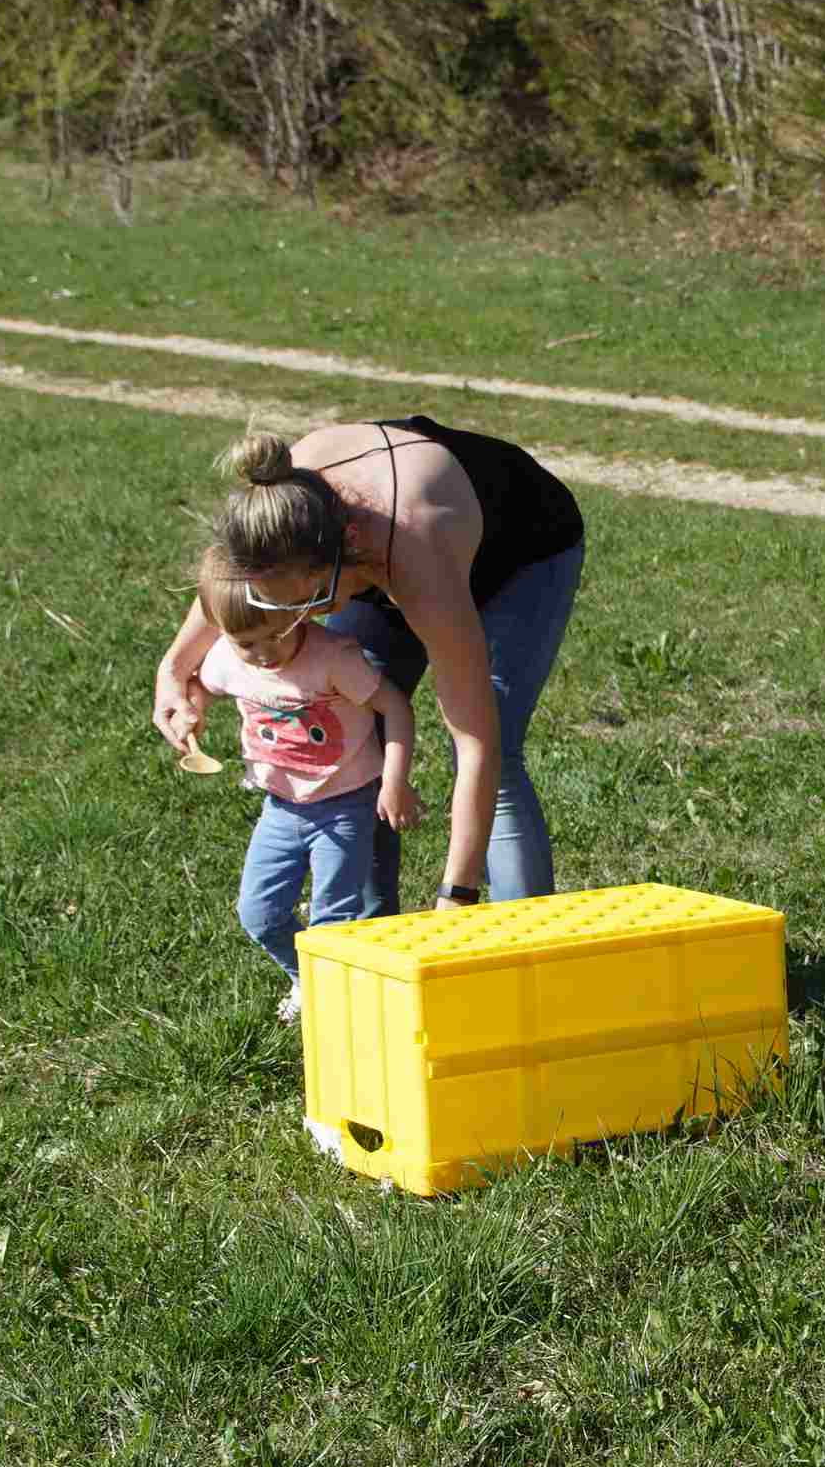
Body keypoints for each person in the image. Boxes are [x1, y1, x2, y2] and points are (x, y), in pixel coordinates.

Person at [155, 420, 584, 913]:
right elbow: (228, 584)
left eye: (311, 601)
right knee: (358, 731)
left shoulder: (418, 555)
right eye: (284, 605)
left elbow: (475, 743)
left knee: (499, 746)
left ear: (348, 543)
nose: (300, 623)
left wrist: (457, 893)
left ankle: (526, 935)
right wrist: (173, 670)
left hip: (523, 553)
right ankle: (371, 932)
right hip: (369, 559)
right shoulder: (277, 509)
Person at [194, 551, 421, 1020]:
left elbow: (395, 707)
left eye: (275, 634)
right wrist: (190, 712)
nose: (264, 653)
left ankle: (336, 1013)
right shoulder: (226, 658)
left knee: (331, 921)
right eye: (246, 643)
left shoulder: (333, 658)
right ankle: (309, 979)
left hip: (345, 808)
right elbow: (202, 686)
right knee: (258, 914)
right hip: (280, 809)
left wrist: (394, 781)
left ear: (294, 609)